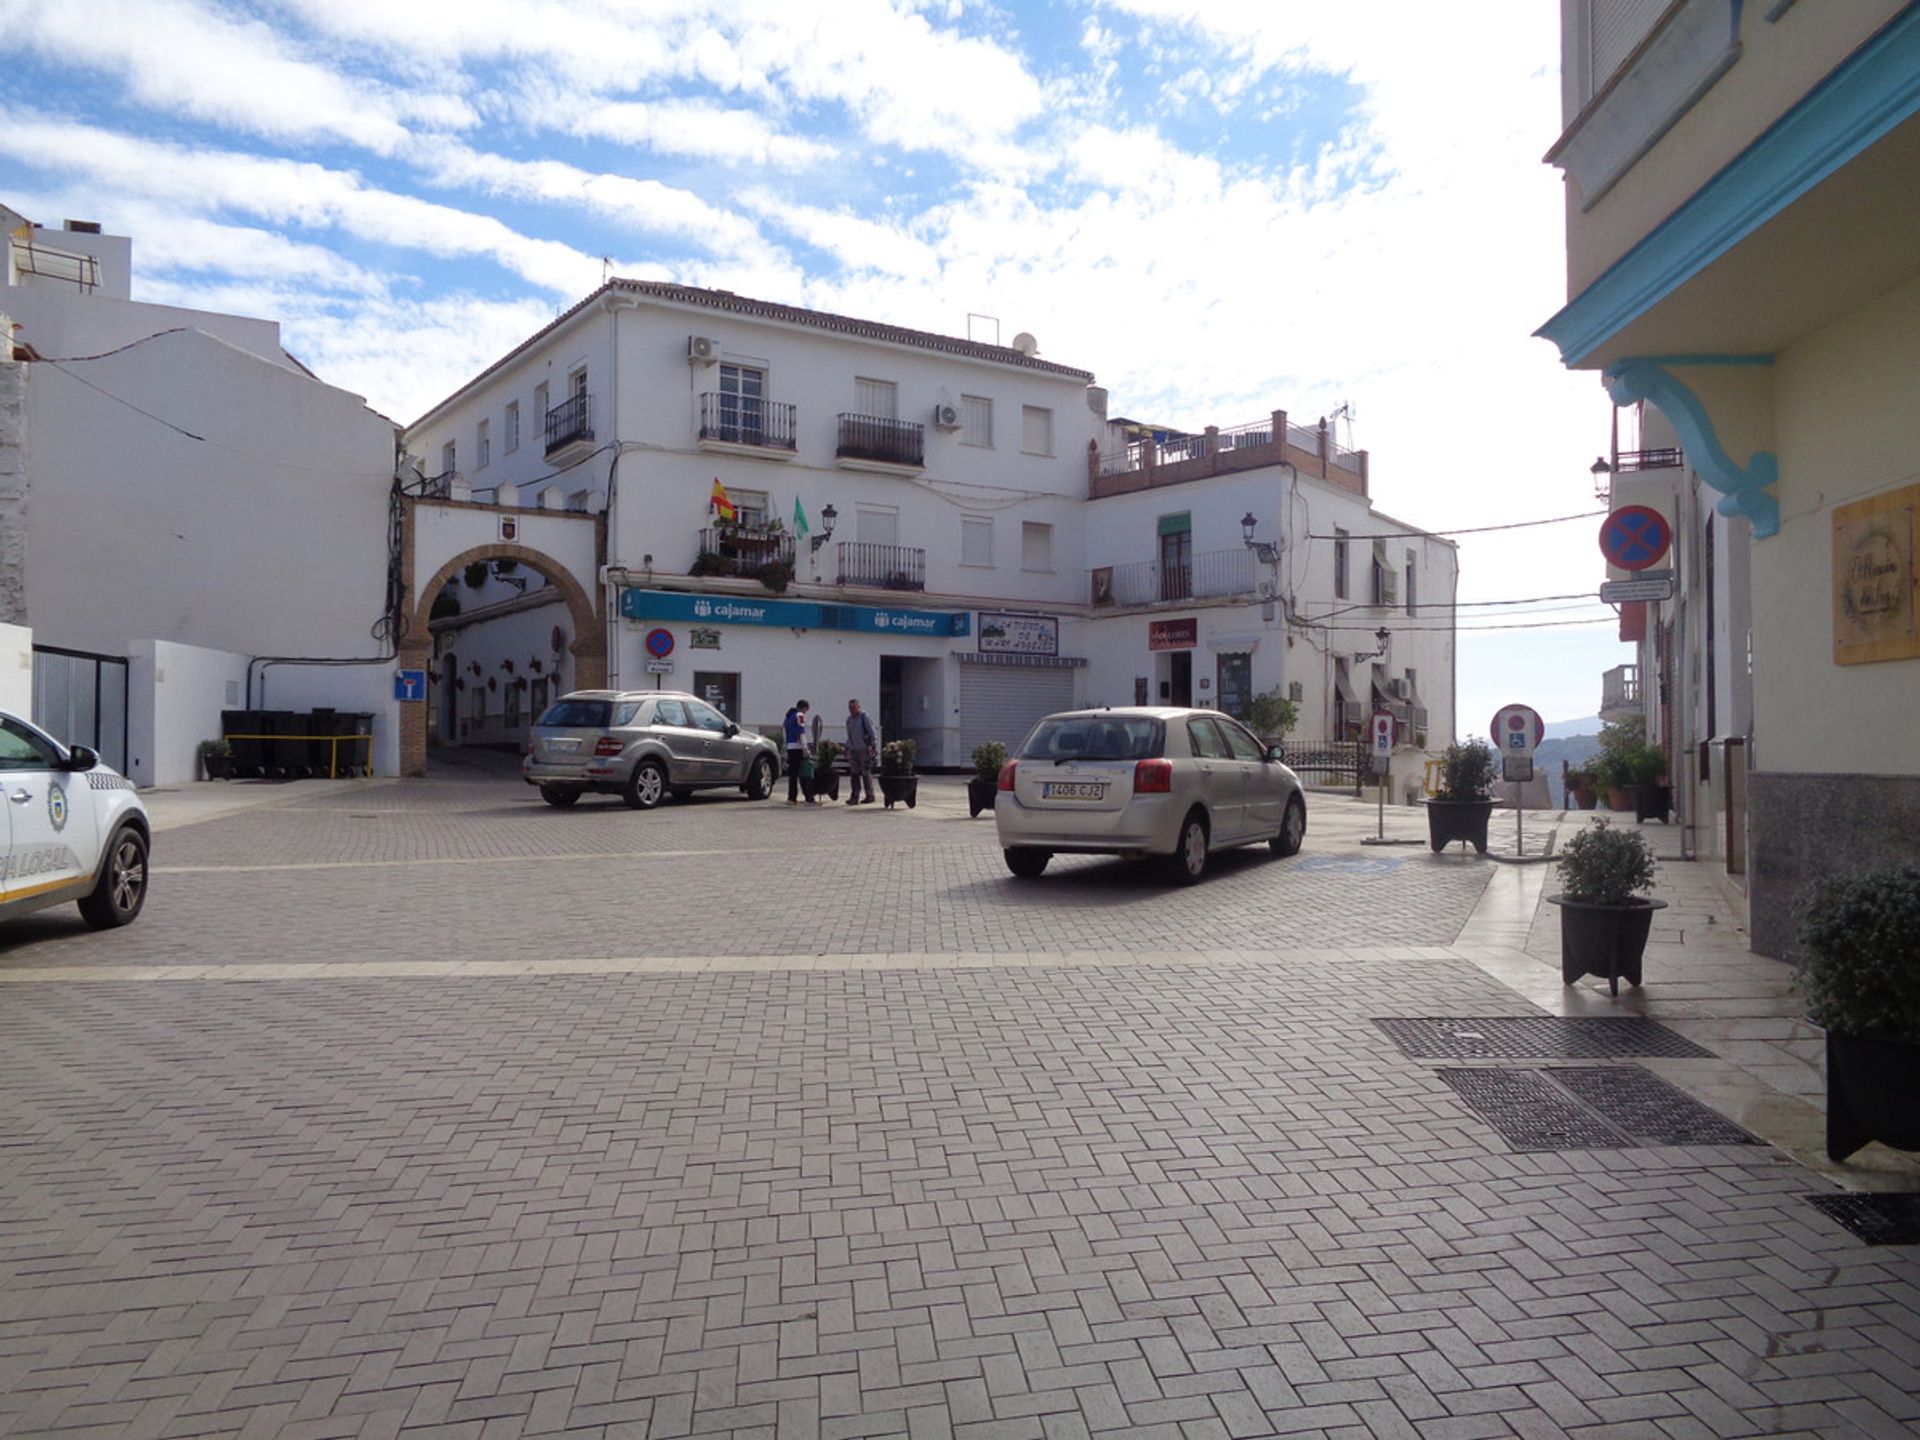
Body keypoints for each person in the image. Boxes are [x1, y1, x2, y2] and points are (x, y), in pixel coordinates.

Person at [844, 697, 878, 805]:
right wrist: (847, 749)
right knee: (854, 774)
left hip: (864, 749)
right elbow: (849, 736)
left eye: (854, 707)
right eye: (850, 708)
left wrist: (874, 745)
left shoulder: (864, 717)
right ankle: (854, 797)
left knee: (866, 773)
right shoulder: (849, 720)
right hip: (854, 750)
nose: (852, 710)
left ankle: (870, 795)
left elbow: (872, 731)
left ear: (858, 707)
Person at [783, 700, 814, 804]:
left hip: (790, 747)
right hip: (798, 747)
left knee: (793, 775)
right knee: (804, 774)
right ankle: (809, 798)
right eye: (806, 710)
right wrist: (805, 749)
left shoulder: (788, 717)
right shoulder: (799, 715)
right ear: (804, 708)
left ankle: (791, 798)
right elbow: (801, 733)